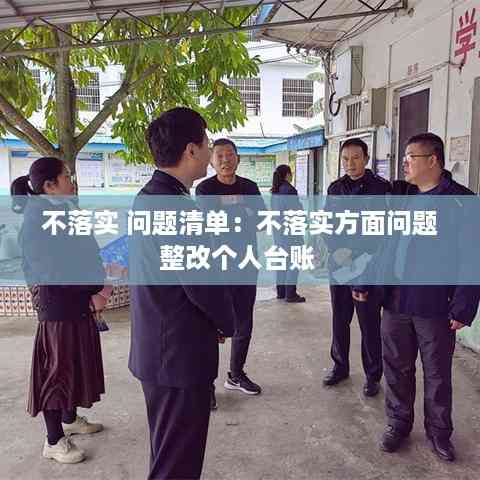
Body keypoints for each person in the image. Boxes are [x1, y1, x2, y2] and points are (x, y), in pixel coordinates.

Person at [353, 133, 480, 461]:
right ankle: (398, 423)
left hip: (434, 305)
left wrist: (463, 306)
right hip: (396, 301)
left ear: (433, 160)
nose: (405, 162)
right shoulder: (403, 197)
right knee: (396, 367)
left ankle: (439, 433)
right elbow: (385, 246)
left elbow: (472, 257)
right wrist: (367, 281)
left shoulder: (461, 202)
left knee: (436, 373)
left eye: (411, 157)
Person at [129, 108, 235, 479]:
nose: (210, 151)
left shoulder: (151, 195)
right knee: (177, 465)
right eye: (207, 143)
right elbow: (200, 284)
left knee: (168, 454)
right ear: (191, 149)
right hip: (177, 354)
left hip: (161, 351)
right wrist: (225, 322)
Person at [11, 157, 110, 464]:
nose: (72, 181)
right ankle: (53, 440)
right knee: (56, 373)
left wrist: (100, 275)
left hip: (76, 302)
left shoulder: (63, 211)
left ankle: (70, 418)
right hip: (58, 308)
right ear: (49, 185)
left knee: (74, 364)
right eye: (67, 176)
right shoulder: (36, 222)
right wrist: (92, 289)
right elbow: (53, 273)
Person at [196, 138, 264, 410]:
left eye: (230, 155)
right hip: (216, 267)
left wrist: (231, 210)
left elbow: (261, 220)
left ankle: (236, 374)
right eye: (220, 156)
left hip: (246, 265)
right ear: (212, 161)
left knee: (244, 323)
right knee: (211, 328)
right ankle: (207, 385)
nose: (225, 160)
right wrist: (242, 210)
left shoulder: (250, 186)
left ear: (238, 158)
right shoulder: (204, 189)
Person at [323, 138, 391, 397]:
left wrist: (355, 253)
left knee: (368, 322)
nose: (349, 163)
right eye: (345, 159)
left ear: (366, 158)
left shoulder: (381, 188)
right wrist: (336, 250)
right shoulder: (335, 188)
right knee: (340, 318)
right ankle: (340, 366)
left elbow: (383, 230)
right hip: (339, 264)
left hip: (367, 266)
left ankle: (373, 375)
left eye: (355, 158)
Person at [270, 164, 306, 303]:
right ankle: (290, 294)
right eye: (291, 173)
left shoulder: (275, 190)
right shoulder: (289, 190)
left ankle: (281, 292)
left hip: (279, 233)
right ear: (287, 174)